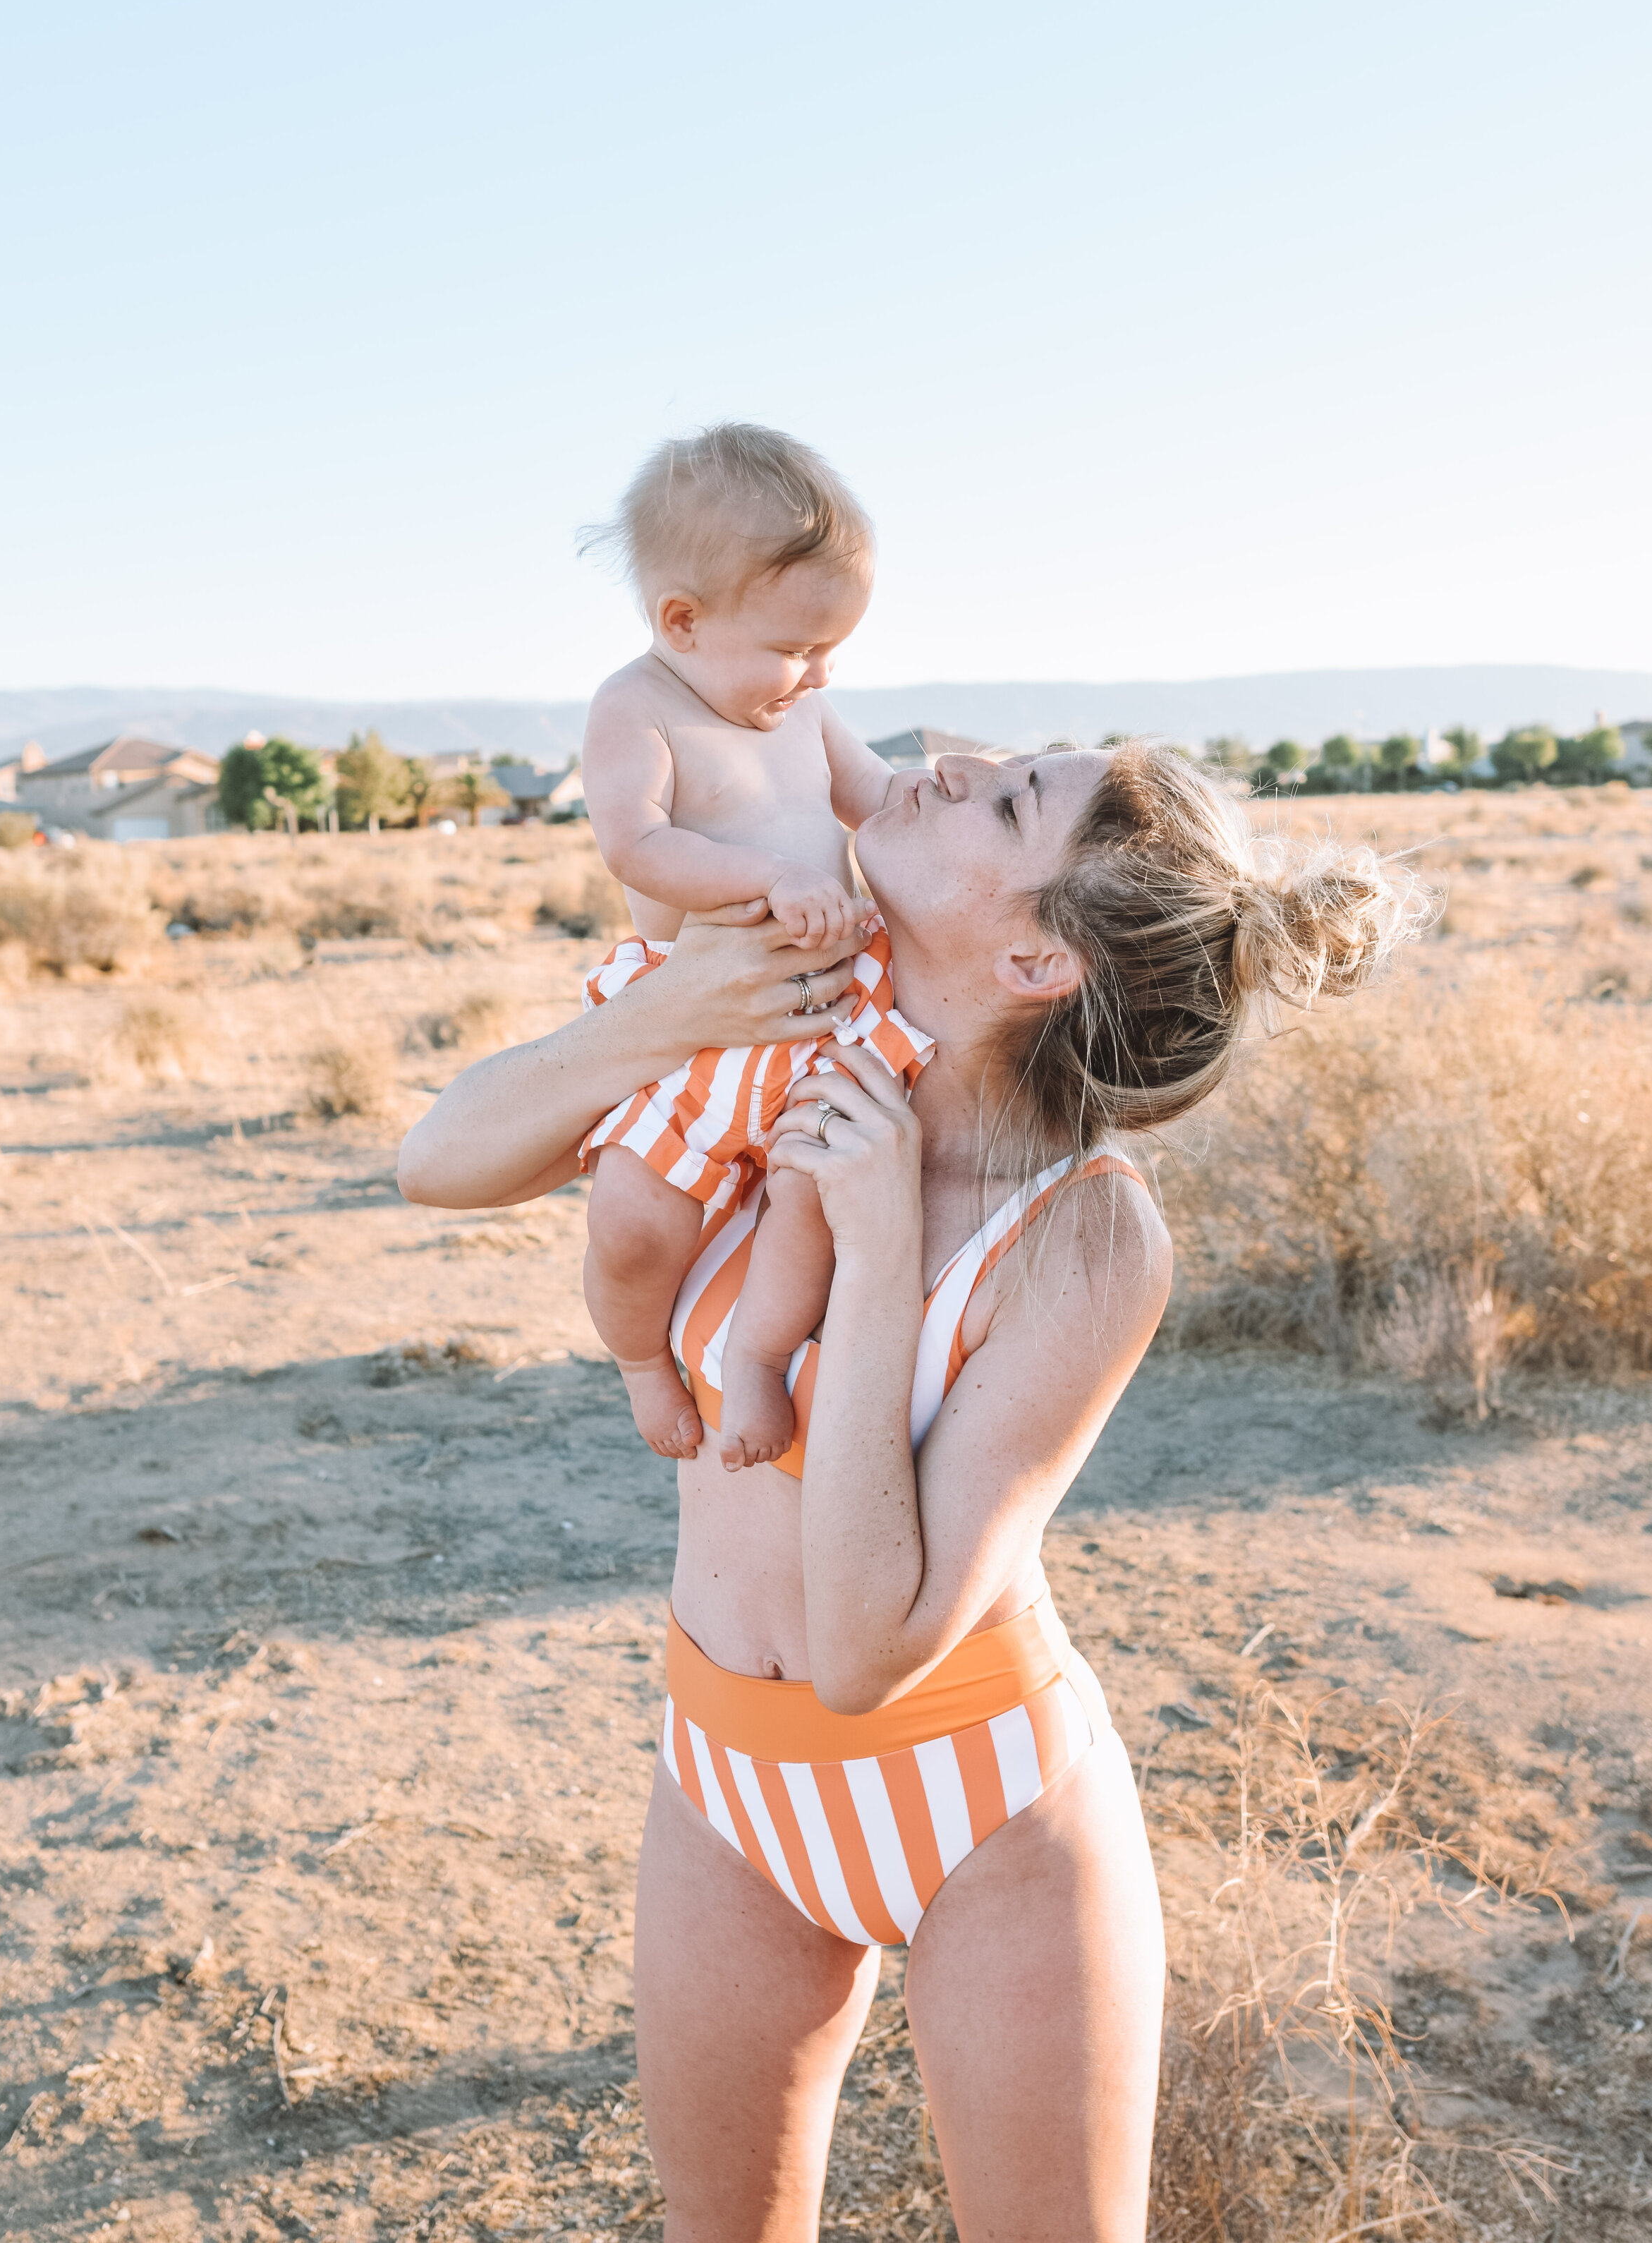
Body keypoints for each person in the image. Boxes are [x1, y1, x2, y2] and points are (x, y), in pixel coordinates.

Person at [399, 738, 1422, 2239]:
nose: (953, 760)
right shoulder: (772, 1040)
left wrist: (875, 1256)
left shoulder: (1086, 1237)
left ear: (1032, 955)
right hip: (724, 1785)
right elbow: (440, 1159)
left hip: (984, 1815)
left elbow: (875, 1649)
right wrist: (669, 1012)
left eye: (1010, 800)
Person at [576, 421, 935, 1469]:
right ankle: (643, 1360)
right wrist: (770, 880)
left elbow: (878, 800)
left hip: (820, 1015)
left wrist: (957, 793)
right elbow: (636, 846)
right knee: (637, 1219)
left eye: (833, 651)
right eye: (796, 649)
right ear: (681, 622)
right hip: (695, 1022)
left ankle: (762, 1361)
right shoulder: (636, 709)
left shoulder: (805, 717)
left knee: (805, 1205)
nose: (818, 676)